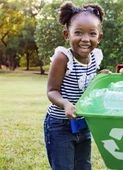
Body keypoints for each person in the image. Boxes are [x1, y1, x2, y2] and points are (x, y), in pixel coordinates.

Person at [44, 1, 105, 170]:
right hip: (59, 125)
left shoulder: (96, 57)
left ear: (99, 37)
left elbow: (90, 84)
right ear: (67, 34)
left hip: (83, 123)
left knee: (83, 166)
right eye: (78, 33)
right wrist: (65, 103)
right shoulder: (63, 58)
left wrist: (102, 77)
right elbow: (51, 91)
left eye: (92, 34)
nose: (85, 39)